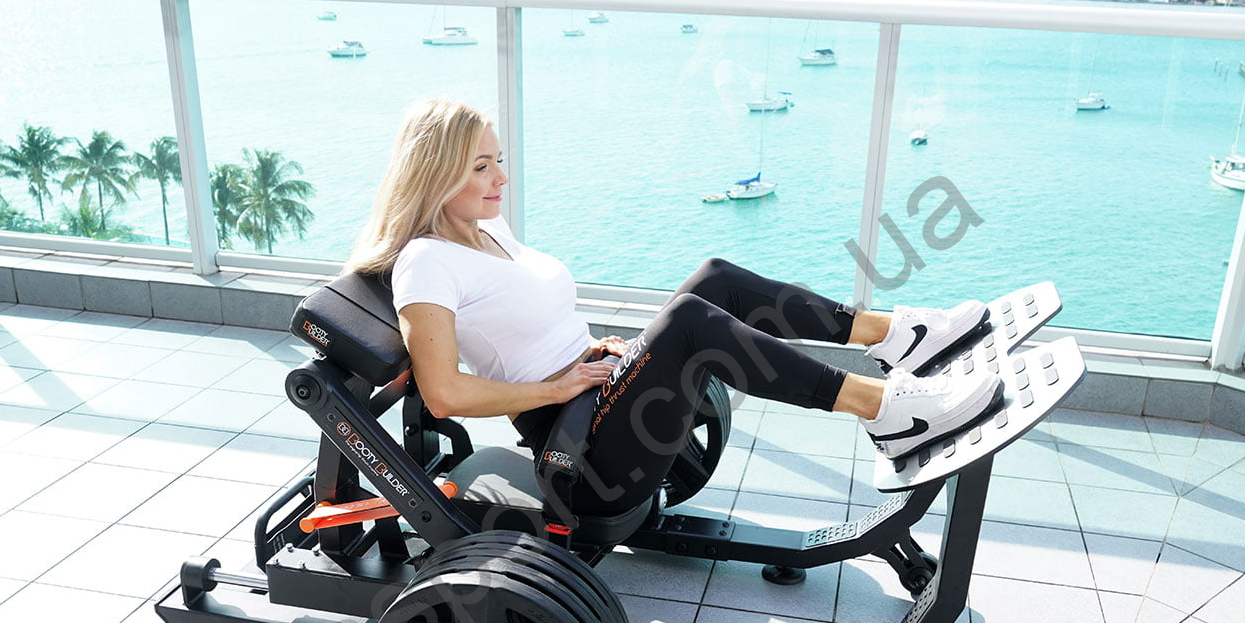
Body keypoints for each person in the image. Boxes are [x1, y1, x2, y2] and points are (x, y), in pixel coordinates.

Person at [346, 99, 1002, 515]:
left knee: (715, 279)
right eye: (482, 167)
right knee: (691, 321)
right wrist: (555, 386)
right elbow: (443, 395)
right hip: (579, 454)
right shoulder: (427, 261)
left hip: (598, 396)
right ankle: (886, 410)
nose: (502, 178)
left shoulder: (487, 229)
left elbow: (524, 330)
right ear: (436, 173)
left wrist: (584, 355)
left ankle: (895, 335)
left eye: (499, 161)